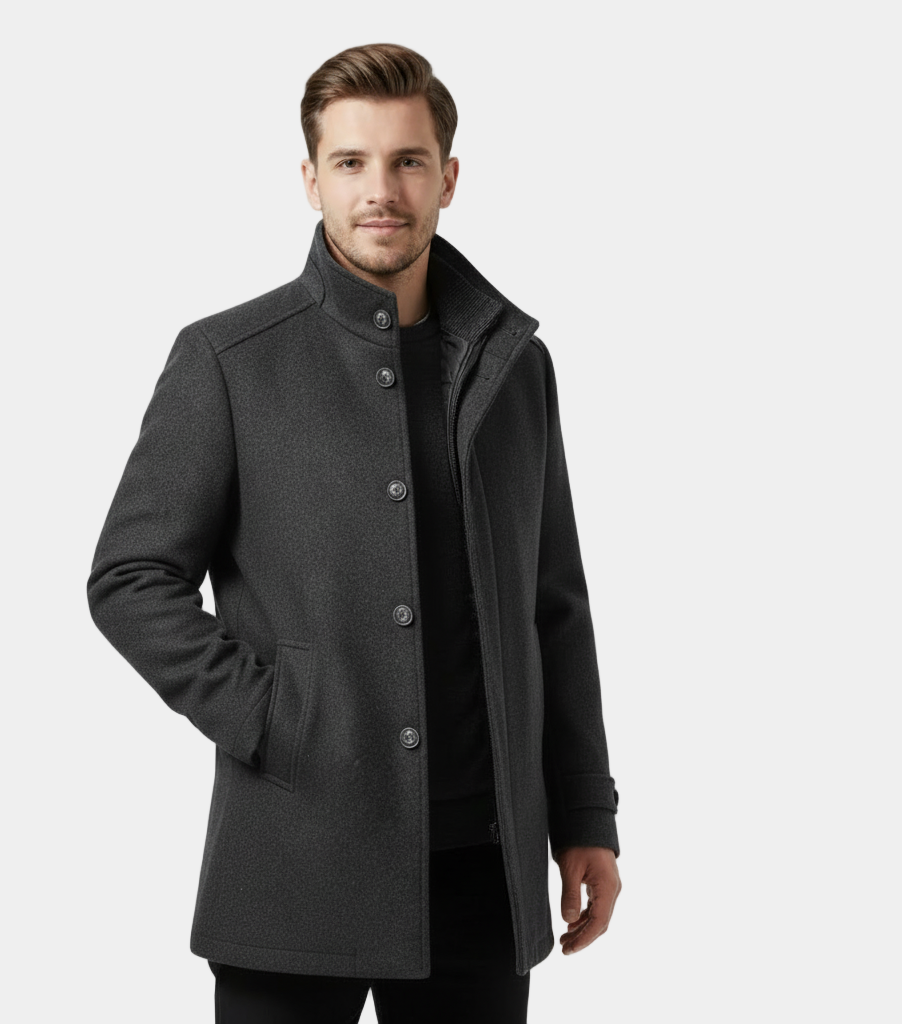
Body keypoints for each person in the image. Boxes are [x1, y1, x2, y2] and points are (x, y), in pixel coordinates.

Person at [87, 41, 622, 1024]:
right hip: (295, 861)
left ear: (447, 178)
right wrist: (274, 715)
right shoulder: (228, 360)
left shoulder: (514, 367)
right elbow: (130, 577)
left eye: (408, 161)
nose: (381, 190)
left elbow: (554, 604)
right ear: (311, 179)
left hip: (482, 875)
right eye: (351, 162)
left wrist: (585, 813)